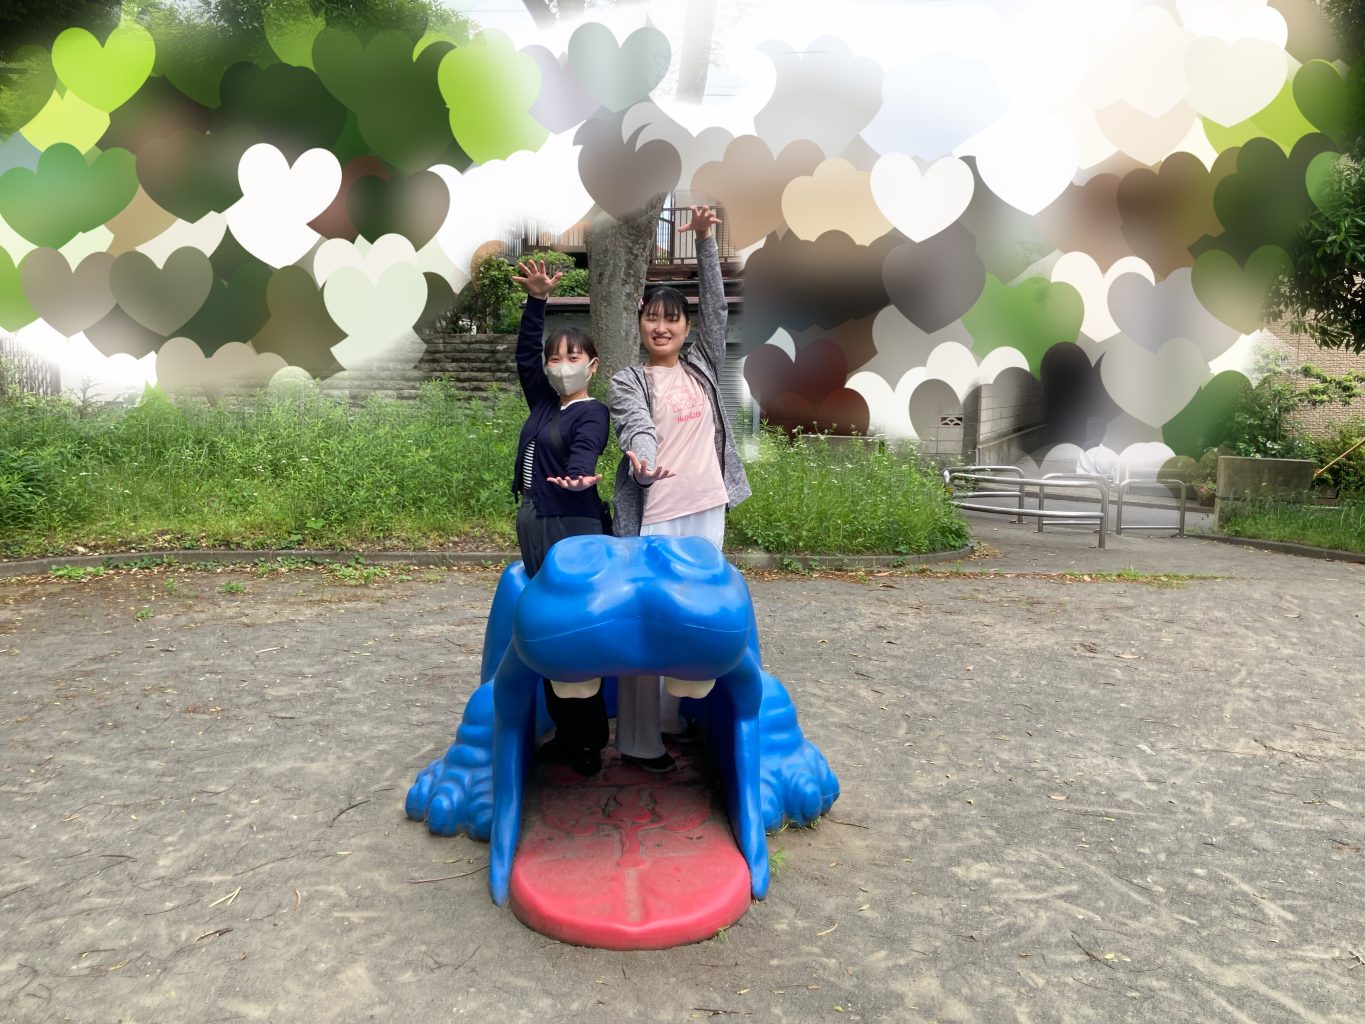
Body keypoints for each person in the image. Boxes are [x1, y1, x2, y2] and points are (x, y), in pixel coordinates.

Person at [609, 205, 751, 772]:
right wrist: (643, 464)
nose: (662, 327)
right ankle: (638, 738)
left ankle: (674, 718)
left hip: (707, 508)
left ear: (688, 329)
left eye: (672, 319)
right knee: (646, 624)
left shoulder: (702, 367)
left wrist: (708, 242)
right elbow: (636, 426)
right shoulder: (629, 378)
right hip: (656, 515)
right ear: (640, 324)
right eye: (652, 318)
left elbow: (717, 307)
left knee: (694, 616)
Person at [510, 258, 611, 777]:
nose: (561, 364)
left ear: (592, 365)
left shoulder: (592, 411)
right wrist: (537, 301)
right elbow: (524, 354)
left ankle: (590, 741)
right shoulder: (545, 404)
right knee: (549, 629)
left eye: (573, 356)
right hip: (535, 519)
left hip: (573, 526)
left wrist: (579, 475)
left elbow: (587, 448)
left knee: (575, 630)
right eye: (556, 357)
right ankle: (566, 733)